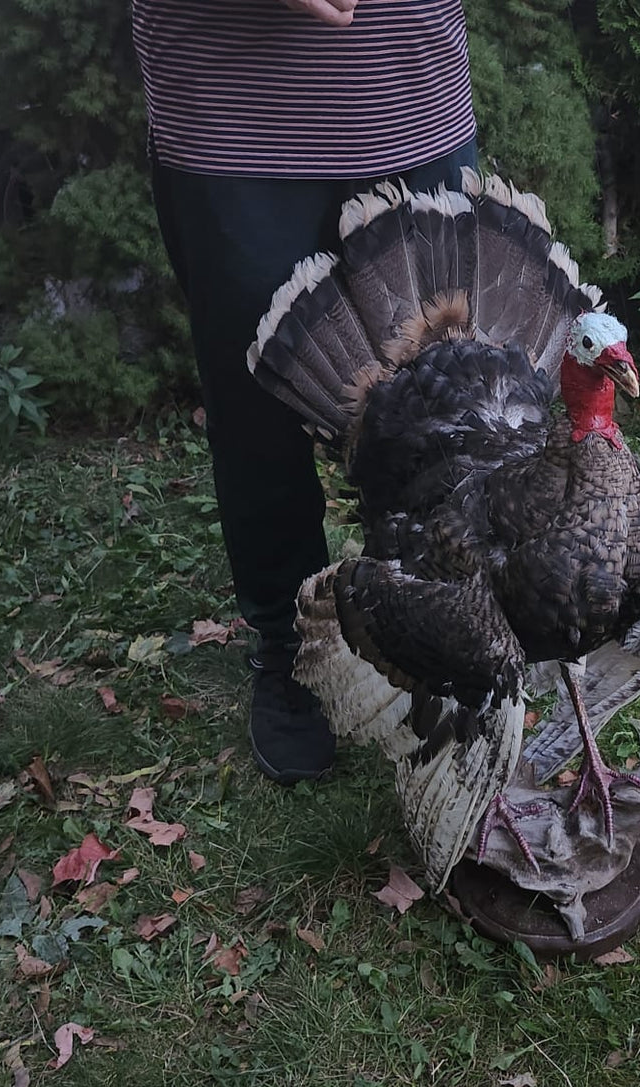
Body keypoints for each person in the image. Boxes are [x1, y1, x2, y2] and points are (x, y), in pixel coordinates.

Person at [132, 0, 478, 783]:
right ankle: (290, 647)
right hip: (229, 125)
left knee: (445, 404)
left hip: (409, 100)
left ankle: (440, 631)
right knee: (256, 406)